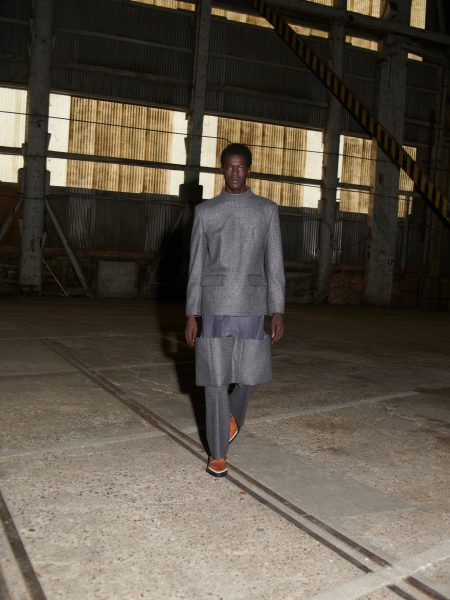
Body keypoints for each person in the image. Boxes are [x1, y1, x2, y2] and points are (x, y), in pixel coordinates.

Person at [184, 143, 285, 477]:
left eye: (241, 167)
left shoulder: (267, 211)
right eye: (230, 166)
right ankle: (218, 453)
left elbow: (274, 264)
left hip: (253, 305)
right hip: (214, 305)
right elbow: (196, 266)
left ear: (249, 169)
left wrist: (278, 309)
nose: (235, 172)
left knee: (251, 374)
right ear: (222, 169)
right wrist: (191, 313)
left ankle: (230, 416)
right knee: (214, 379)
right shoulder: (206, 212)